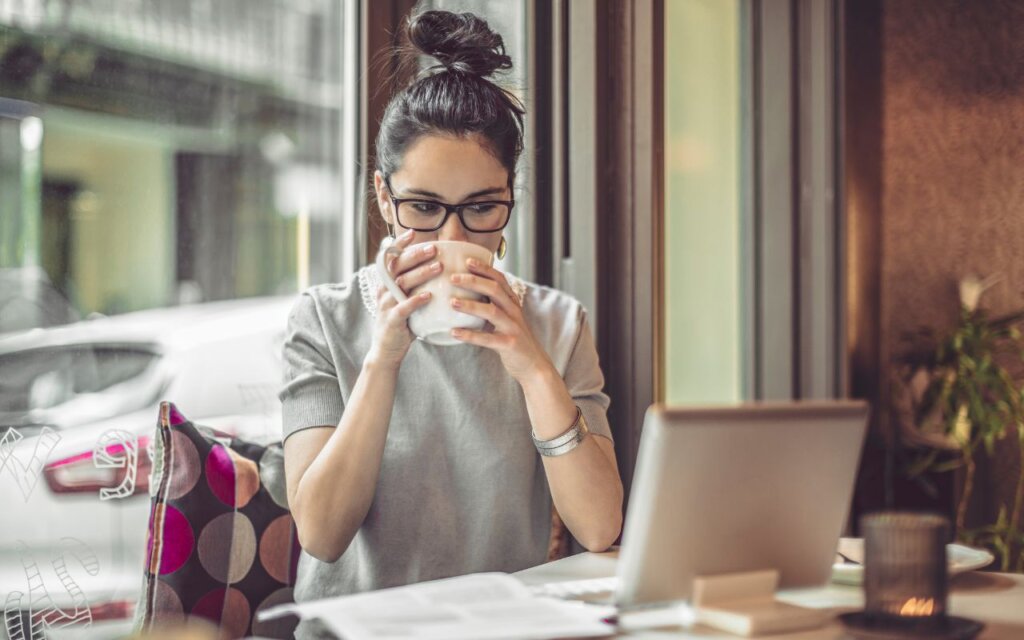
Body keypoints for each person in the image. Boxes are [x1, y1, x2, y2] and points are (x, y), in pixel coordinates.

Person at [280, 9, 623, 637]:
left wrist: (532, 367)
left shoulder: (557, 324)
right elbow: (322, 536)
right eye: (424, 208)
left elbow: (600, 528)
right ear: (385, 198)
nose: (453, 236)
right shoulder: (323, 321)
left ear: (510, 200)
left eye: (482, 208)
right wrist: (383, 358)